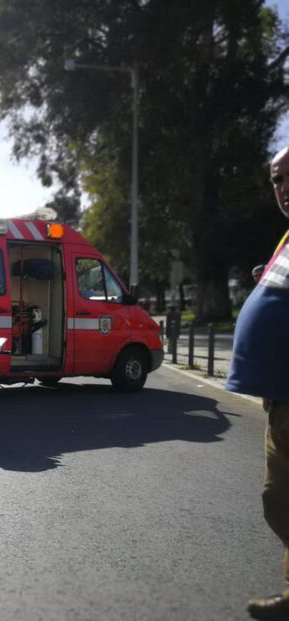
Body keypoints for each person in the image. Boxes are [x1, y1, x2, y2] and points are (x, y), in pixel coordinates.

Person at [226, 146, 289, 620]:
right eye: (277, 178)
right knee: (277, 500)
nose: (284, 187)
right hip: (281, 402)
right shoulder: (286, 239)